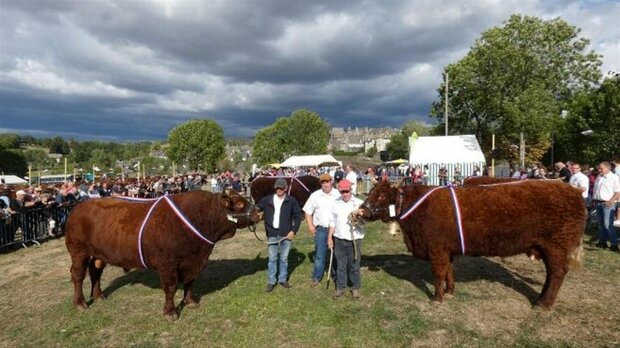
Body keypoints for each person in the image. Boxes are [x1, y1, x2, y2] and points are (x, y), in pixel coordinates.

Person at [257, 178, 302, 292]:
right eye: (277, 188)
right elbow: (256, 208)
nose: (279, 190)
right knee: (272, 258)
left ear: (286, 188)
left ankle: (282, 279)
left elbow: (298, 217)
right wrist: (257, 214)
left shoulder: (291, 200)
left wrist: (293, 231)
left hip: (286, 234)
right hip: (272, 233)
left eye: (281, 188)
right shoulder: (267, 199)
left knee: (284, 258)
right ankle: (271, 281)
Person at [327, 179, 364, 300]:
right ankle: (340, 287)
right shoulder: (335, 203)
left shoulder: (359, 203)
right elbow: (332, 222)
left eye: (347, 191)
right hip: (339, 239)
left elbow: (365, 223)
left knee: (354, 265)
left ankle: (355, 287)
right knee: (341, 265)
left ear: (351, 190)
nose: (345, 194)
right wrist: (329, 238)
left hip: (355, 240)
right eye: (342, 192)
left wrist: (358, 215)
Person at [303, 173, 340, 287]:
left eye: (327, 182)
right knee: (320, 254)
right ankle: (317, 276)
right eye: (323, 182)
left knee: (336, 253)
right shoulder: (315, 195)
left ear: (331, 181)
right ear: (321, 184)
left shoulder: (338, 194)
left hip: (336, 229)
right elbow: (308, 211)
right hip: (321, 229)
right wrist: (310, 225)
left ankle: (336, 275)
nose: (325, 184)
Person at [592, 162, 620, 251]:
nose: (599, 170)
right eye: (599, 168)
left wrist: (611, 201)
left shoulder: (614, 177)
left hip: (607, 203)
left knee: (608, 224)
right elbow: (596, 190)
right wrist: (594, 199)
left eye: (601, 168)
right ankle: (602, 242)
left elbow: (617, 192)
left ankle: (614, 245)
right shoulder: (599, 177)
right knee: (601, 224)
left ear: (608, 168)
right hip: (598, 202)